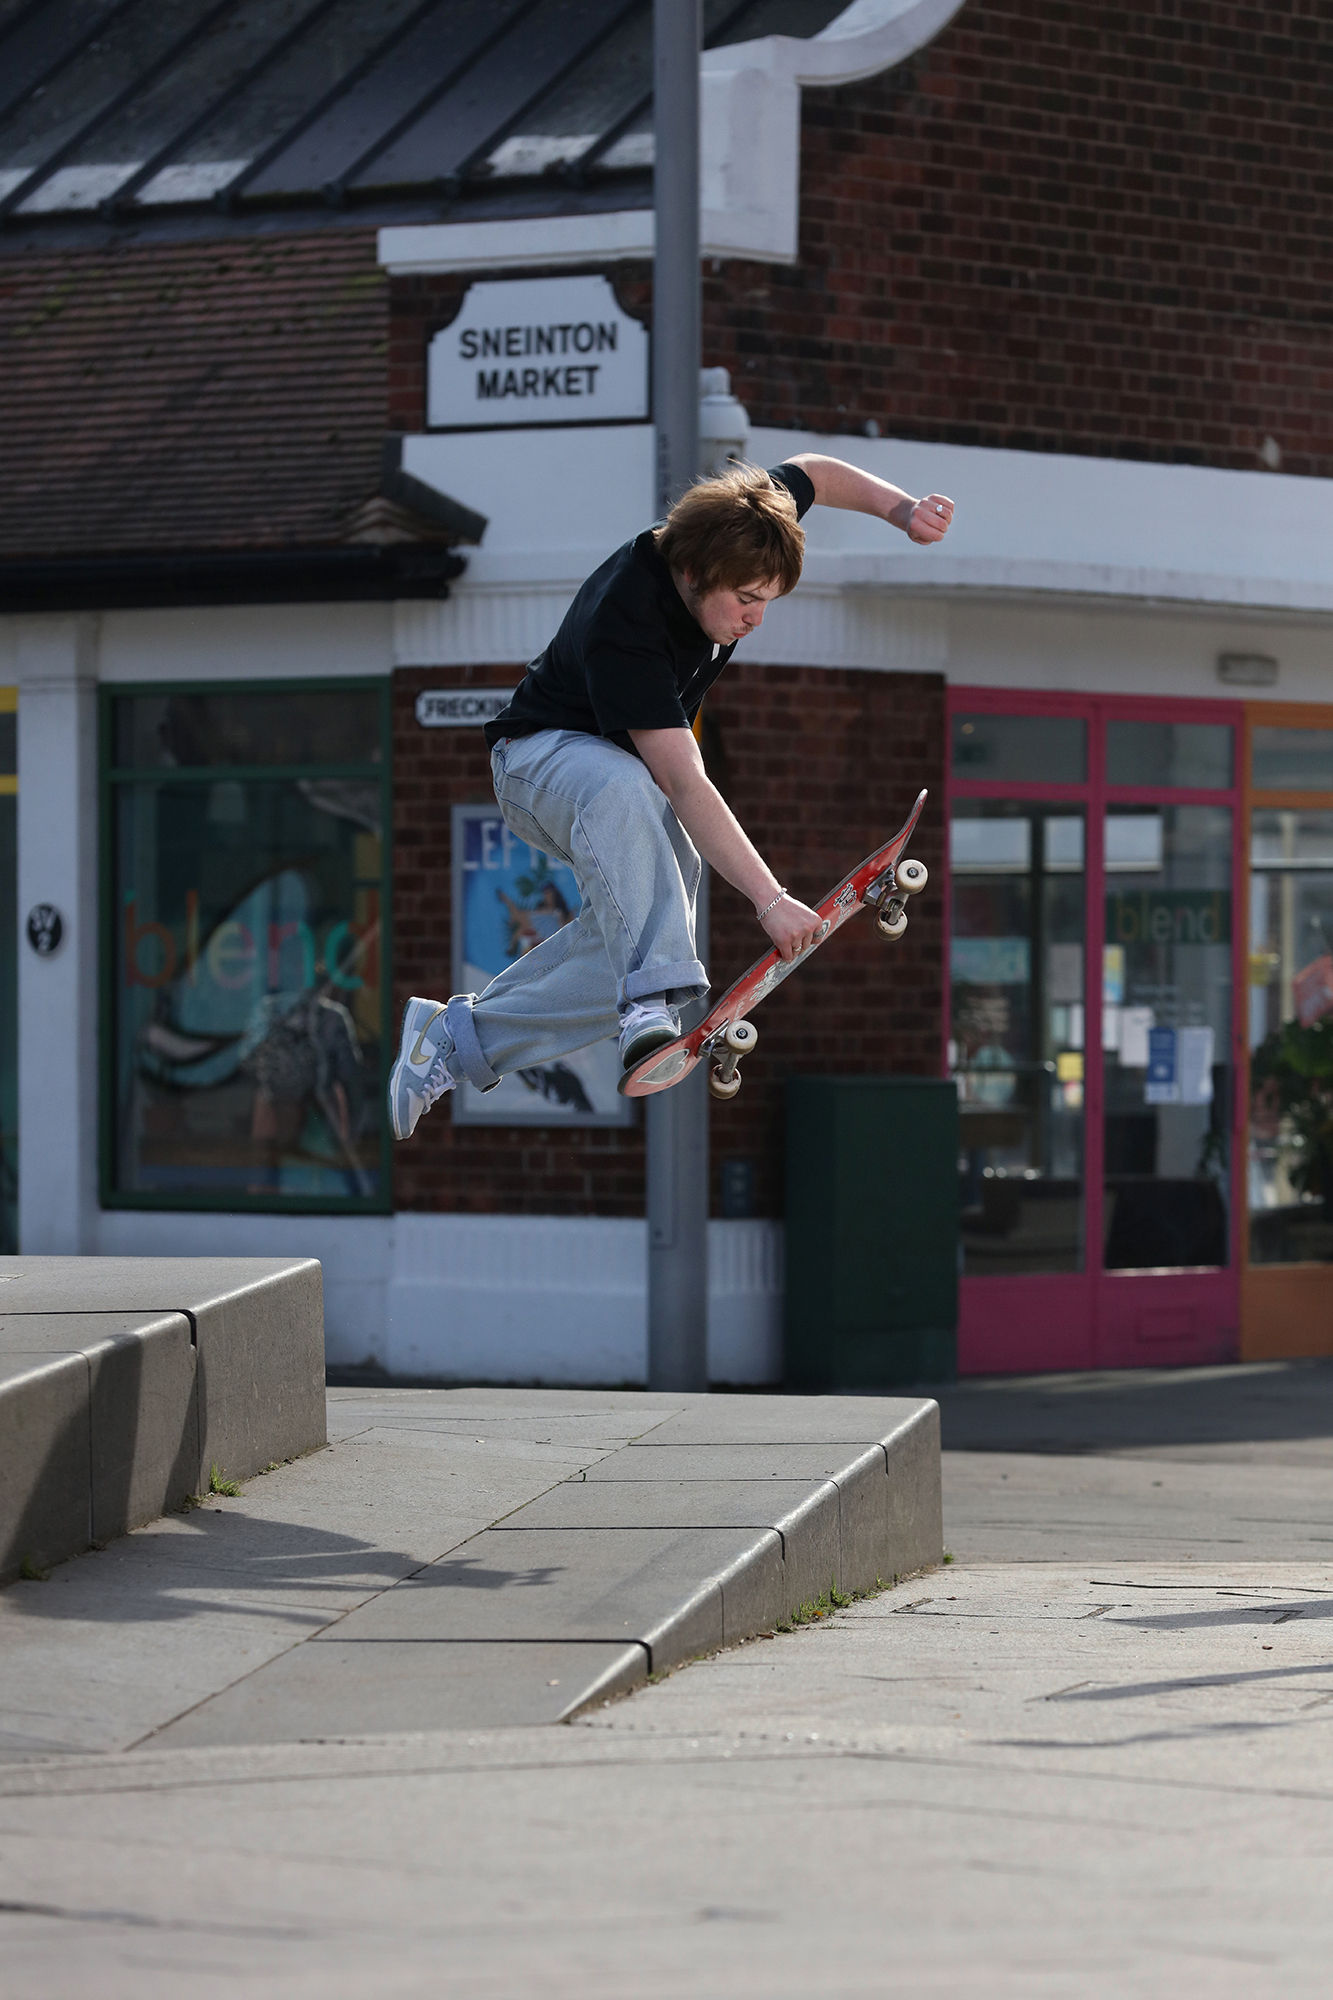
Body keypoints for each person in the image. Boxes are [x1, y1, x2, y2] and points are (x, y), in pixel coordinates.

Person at [389, 454, 954, 1139]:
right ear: (691, 574)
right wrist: (769, 900)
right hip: (538, 766)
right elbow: (681, 778)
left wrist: (901, 512)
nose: (754, 618)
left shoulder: (740, 525)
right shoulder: (628, 622)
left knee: (641, 941)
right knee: (640, 868)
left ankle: (454, 1039)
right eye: (744, 600)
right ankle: (650, 1001)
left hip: (613, 793)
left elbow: (816, 473)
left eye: (767, 601)